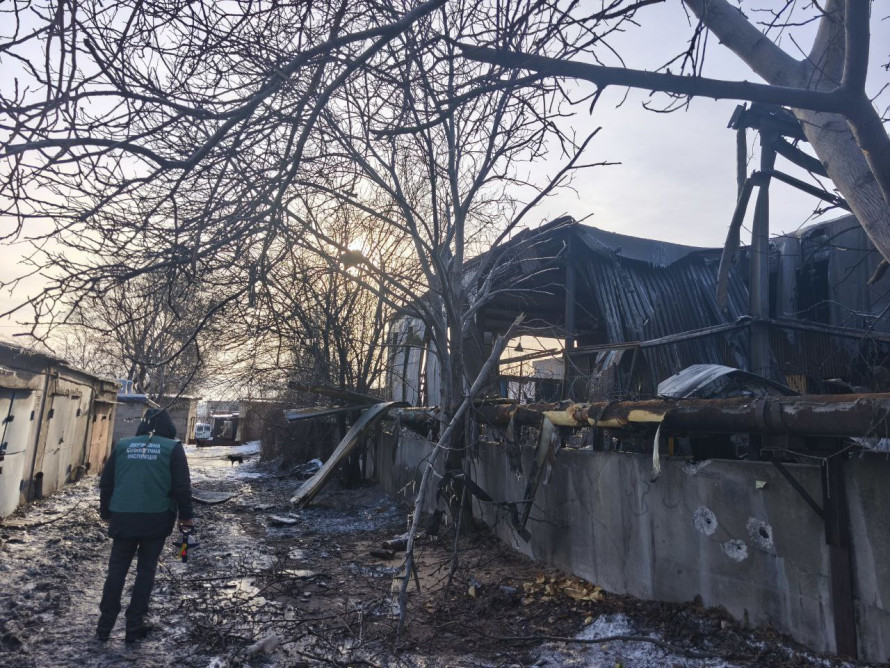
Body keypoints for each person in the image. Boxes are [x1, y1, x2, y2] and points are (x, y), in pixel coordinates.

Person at [96, 408, 195, 643]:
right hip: (156, 518)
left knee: (117, 570)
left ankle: (104, 625)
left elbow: (106, 482)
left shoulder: (123, 446)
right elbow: (182, 486)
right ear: (168, 426)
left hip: (123, 516)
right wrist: (186, 516)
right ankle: (134, 625)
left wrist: (106, 512)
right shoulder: (172, 448)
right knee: (146, 571)